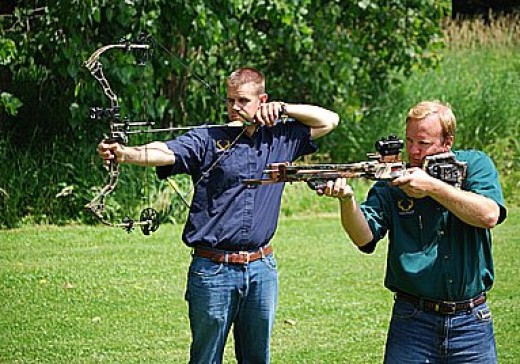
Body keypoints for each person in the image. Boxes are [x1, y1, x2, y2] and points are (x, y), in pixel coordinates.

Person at [98, 67, 339, 363]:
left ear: (262, 100)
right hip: (213, 270)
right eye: (229, 101)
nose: (235, 108)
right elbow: (166, 151)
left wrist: (285, 108)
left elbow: (330, 120)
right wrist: (126, 153)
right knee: (206, 358)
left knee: (257, 357)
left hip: (261, 268)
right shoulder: (208, 139)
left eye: (243, 100)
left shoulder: (281, 138)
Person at [319, 100, 506, 363]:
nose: (413, 151)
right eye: (409, 142)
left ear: (447, 142)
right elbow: (364, 238)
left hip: (471, 321)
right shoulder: (393, 183)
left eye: (423, 143)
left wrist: (433, 188)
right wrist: (347, 200)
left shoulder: (475, 165)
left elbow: (489, 215)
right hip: (413, 322)